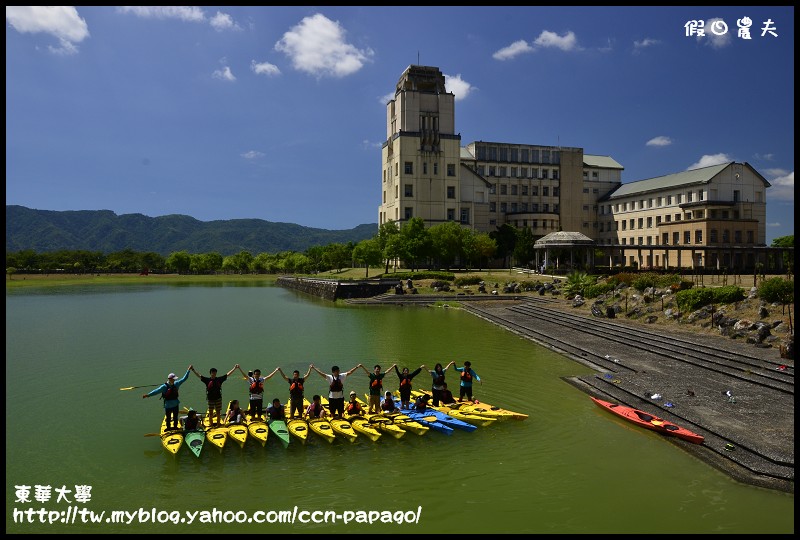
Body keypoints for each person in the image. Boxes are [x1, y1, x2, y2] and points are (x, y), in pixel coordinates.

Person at [143, 367, 192, 431]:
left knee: (175, 417)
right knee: (168, 418)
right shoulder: (164, 386)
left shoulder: (176, 383)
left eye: (174, 379)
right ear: (169, 379)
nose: (174, 380)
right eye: (173, 379)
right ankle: (168, 428)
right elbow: (156, 391)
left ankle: (175, 427)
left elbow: (184, 378)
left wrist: (188, 370)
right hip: (168, 405)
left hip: (175, 404)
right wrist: (148, 395)